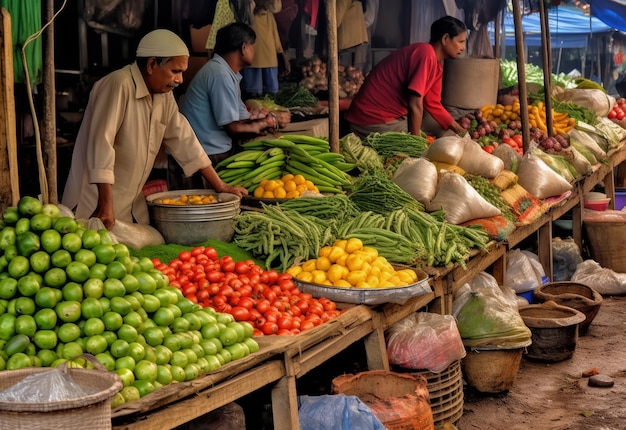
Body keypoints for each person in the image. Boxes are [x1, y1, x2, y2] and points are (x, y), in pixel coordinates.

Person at [61, 29, 248, 230]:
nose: (180, 80)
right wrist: (106, 204)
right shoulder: (119, 84)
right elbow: (101, 145)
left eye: (182, 72)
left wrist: (220, 187)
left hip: (129, 205)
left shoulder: (164, 96)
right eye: (176, 71)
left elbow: (184, 139)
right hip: (96, 204)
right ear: (151, 65)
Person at [180, 22, 290, 169]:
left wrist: (266, 120)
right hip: (206, 155)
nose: (255, 51)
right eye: (253, 47)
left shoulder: (227, 73)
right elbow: (234, 128)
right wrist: (270, 121)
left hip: (210, 151)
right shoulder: (219, 74)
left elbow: (241, 118)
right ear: (244, 48)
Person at [345, 16, 467, 138]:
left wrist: (460, 131)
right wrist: (415, 143)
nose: (463, 48)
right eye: (460, 41)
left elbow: (432, 103)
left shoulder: (437, 65)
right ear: (445, 39)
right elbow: (414, 103)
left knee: (436, 133)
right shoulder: (425, 53)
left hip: (390, 118)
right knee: (428, 142)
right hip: (370, 120)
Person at [242, 0, 291, 98]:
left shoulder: (269, 16)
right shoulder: (250, 17)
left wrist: (284, 56)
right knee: (256, 95)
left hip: (267, 60)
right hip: (255, 60)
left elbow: (276, 38)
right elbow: (246, 30)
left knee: (267, 94)